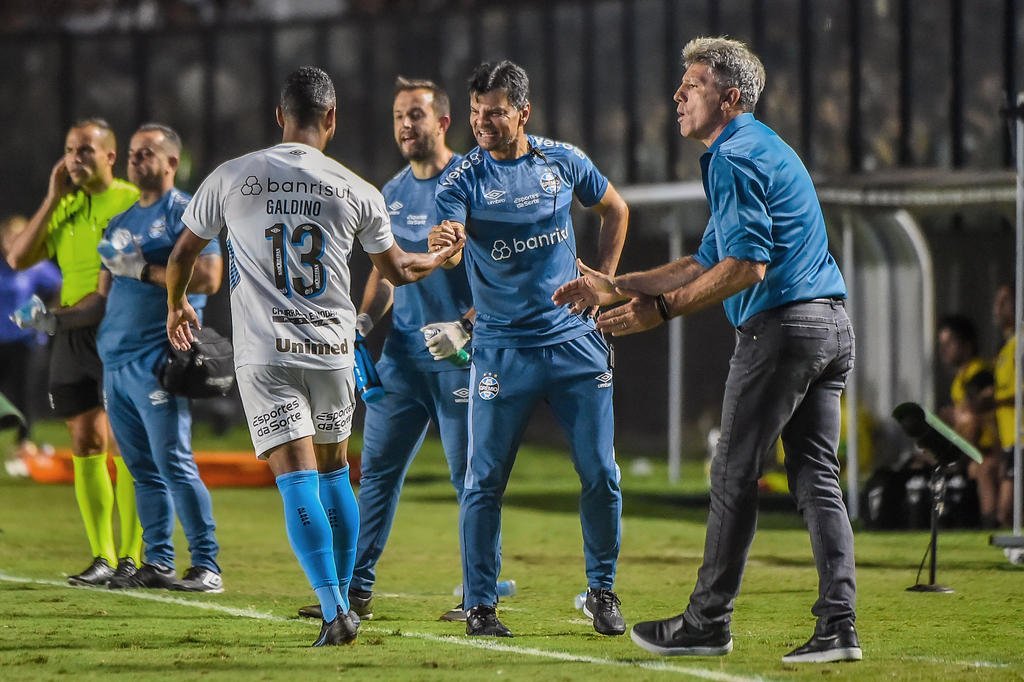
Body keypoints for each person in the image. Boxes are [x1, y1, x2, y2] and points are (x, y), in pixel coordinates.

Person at [553, 37, 859, 663]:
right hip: (828, 325)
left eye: (690, 86)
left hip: (782, 329)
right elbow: (703, 260)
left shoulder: (734, 155)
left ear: (729, 97)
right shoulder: (760, 145)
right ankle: (838, 626)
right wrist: (621, 285)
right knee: (816, 478)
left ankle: (707, 622)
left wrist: (660, 311)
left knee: (731, 474)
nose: (677, 95)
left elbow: (747, 265)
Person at [165, 66, 464, 647]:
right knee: (333, 475)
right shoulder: (357, 188)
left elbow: (183, 253)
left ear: (279, 118)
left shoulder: (233, 176)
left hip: (267, 355)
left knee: (296, 478)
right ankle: (348, 593)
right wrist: (440, 260)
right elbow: (399, 270)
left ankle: (335, 610)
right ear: (331, 119)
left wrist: (177, 305)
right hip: (331, 351)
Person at [429, 60, 630, 638]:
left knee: (601, 473)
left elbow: (615, 209)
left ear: (523, 111)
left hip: (575, 346)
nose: (482, 123)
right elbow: (447, 233)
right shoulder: (461, 179)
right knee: (483, 480)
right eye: (475, 113)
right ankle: (481, 606)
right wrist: (446, 243)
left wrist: (605, 280)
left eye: (493, 112)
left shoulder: (562, 161)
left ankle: (602, 591)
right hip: (501, 353)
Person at [297, 76, 478, 624]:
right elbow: (386, 275)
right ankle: (356, 591)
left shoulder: (473, 180)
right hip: (400, 363)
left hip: (461, 361)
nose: (405, 125)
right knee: (374, 475)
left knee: (472, 478)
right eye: (399, 115)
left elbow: (502, 275)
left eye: (416, 115)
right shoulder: (390, 192)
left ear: (443, 122)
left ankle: (478, 595)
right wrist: (364, 318)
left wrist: (466, 329)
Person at [6, 118, 143, 586]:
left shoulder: (129, 199)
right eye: (69, 150)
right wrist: (51, 196)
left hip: (120, 329)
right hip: (70, 332)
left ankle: (132, 556)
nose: (74, 158)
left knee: (127, 445)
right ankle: (102, 555)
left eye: (85, 150)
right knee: (86, 442)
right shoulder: (64, 206)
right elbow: (18, 257)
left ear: (109, 155)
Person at [97, 123, 224, 591]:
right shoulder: (121, 221)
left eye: (146, 153)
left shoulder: (187, 212)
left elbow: (209, 279)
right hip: (115, 363)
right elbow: (104, 294)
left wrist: (144, 269)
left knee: (173, 460)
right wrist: (54, 319)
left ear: (172, 162)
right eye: (132, 153)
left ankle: (207, 565)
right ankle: (158, 561)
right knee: (140, 468)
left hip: (158, 357)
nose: (135, 160)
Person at [0, 215, 62, 460]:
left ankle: (22, 449)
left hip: (24, 342)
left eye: (20, 236)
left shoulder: (36, 267)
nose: (14, 241)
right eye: (10, 236)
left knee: (23, 396)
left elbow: (60, 288)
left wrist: (44, 316)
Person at [936, 314, 1000, 527]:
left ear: (967, 344)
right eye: (942, 344)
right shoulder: (961, 377)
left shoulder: (979, 372)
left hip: (990, 447)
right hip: (977, 448)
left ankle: (990, 523)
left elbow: (975, 415)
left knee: (981, 470)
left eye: (950, 343)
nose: (944, 350)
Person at [993, 281, 1019, 527]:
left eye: (1004, 302)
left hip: (1022, 439)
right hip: (1011, 439)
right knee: (1007, 513)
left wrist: (991, 401)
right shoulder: (1006, 348)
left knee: (1006, 512)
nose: (997, 308)